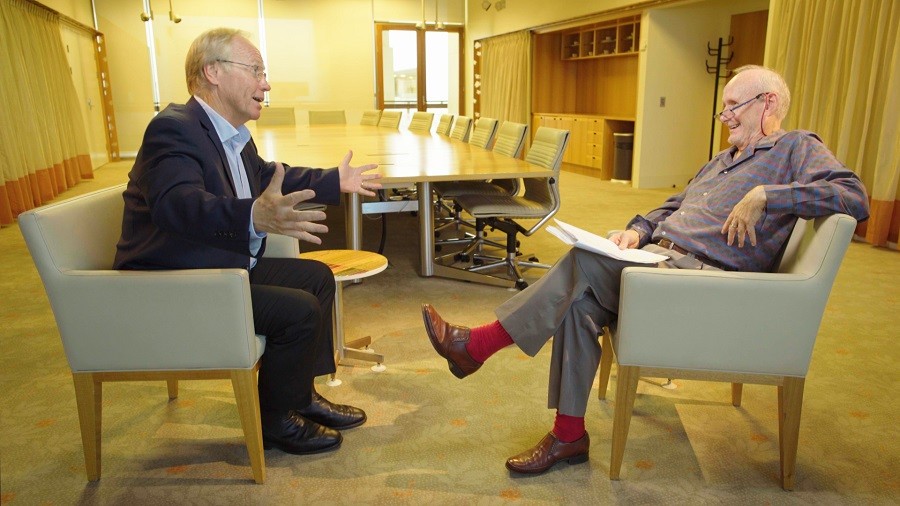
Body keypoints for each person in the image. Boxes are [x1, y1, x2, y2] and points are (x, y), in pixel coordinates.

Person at [421, 65, 870, 474]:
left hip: (707, 281)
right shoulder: (721, 160)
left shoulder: (795, 148)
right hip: (660, 262)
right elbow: (673, 204)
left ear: (768, 102)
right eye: (725, 107)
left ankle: (476, 345)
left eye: (733, 106)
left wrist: (770, 196)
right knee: (579, 304)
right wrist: (638, 231)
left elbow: (853, 196)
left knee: (583, 261)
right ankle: (569, 437)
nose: (725, 116)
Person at [114, 28, 383, 456]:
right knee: (297, 310)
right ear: (213, 72)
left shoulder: (230, 134)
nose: (266, 82)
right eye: (255, 70)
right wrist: (252, 216)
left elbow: (267, 176)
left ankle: (299, 397)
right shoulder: (173, 129)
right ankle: (274, 422)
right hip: (176, 281)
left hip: (217, 265)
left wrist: (334, 181)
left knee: (316, 278)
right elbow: (175, 206)